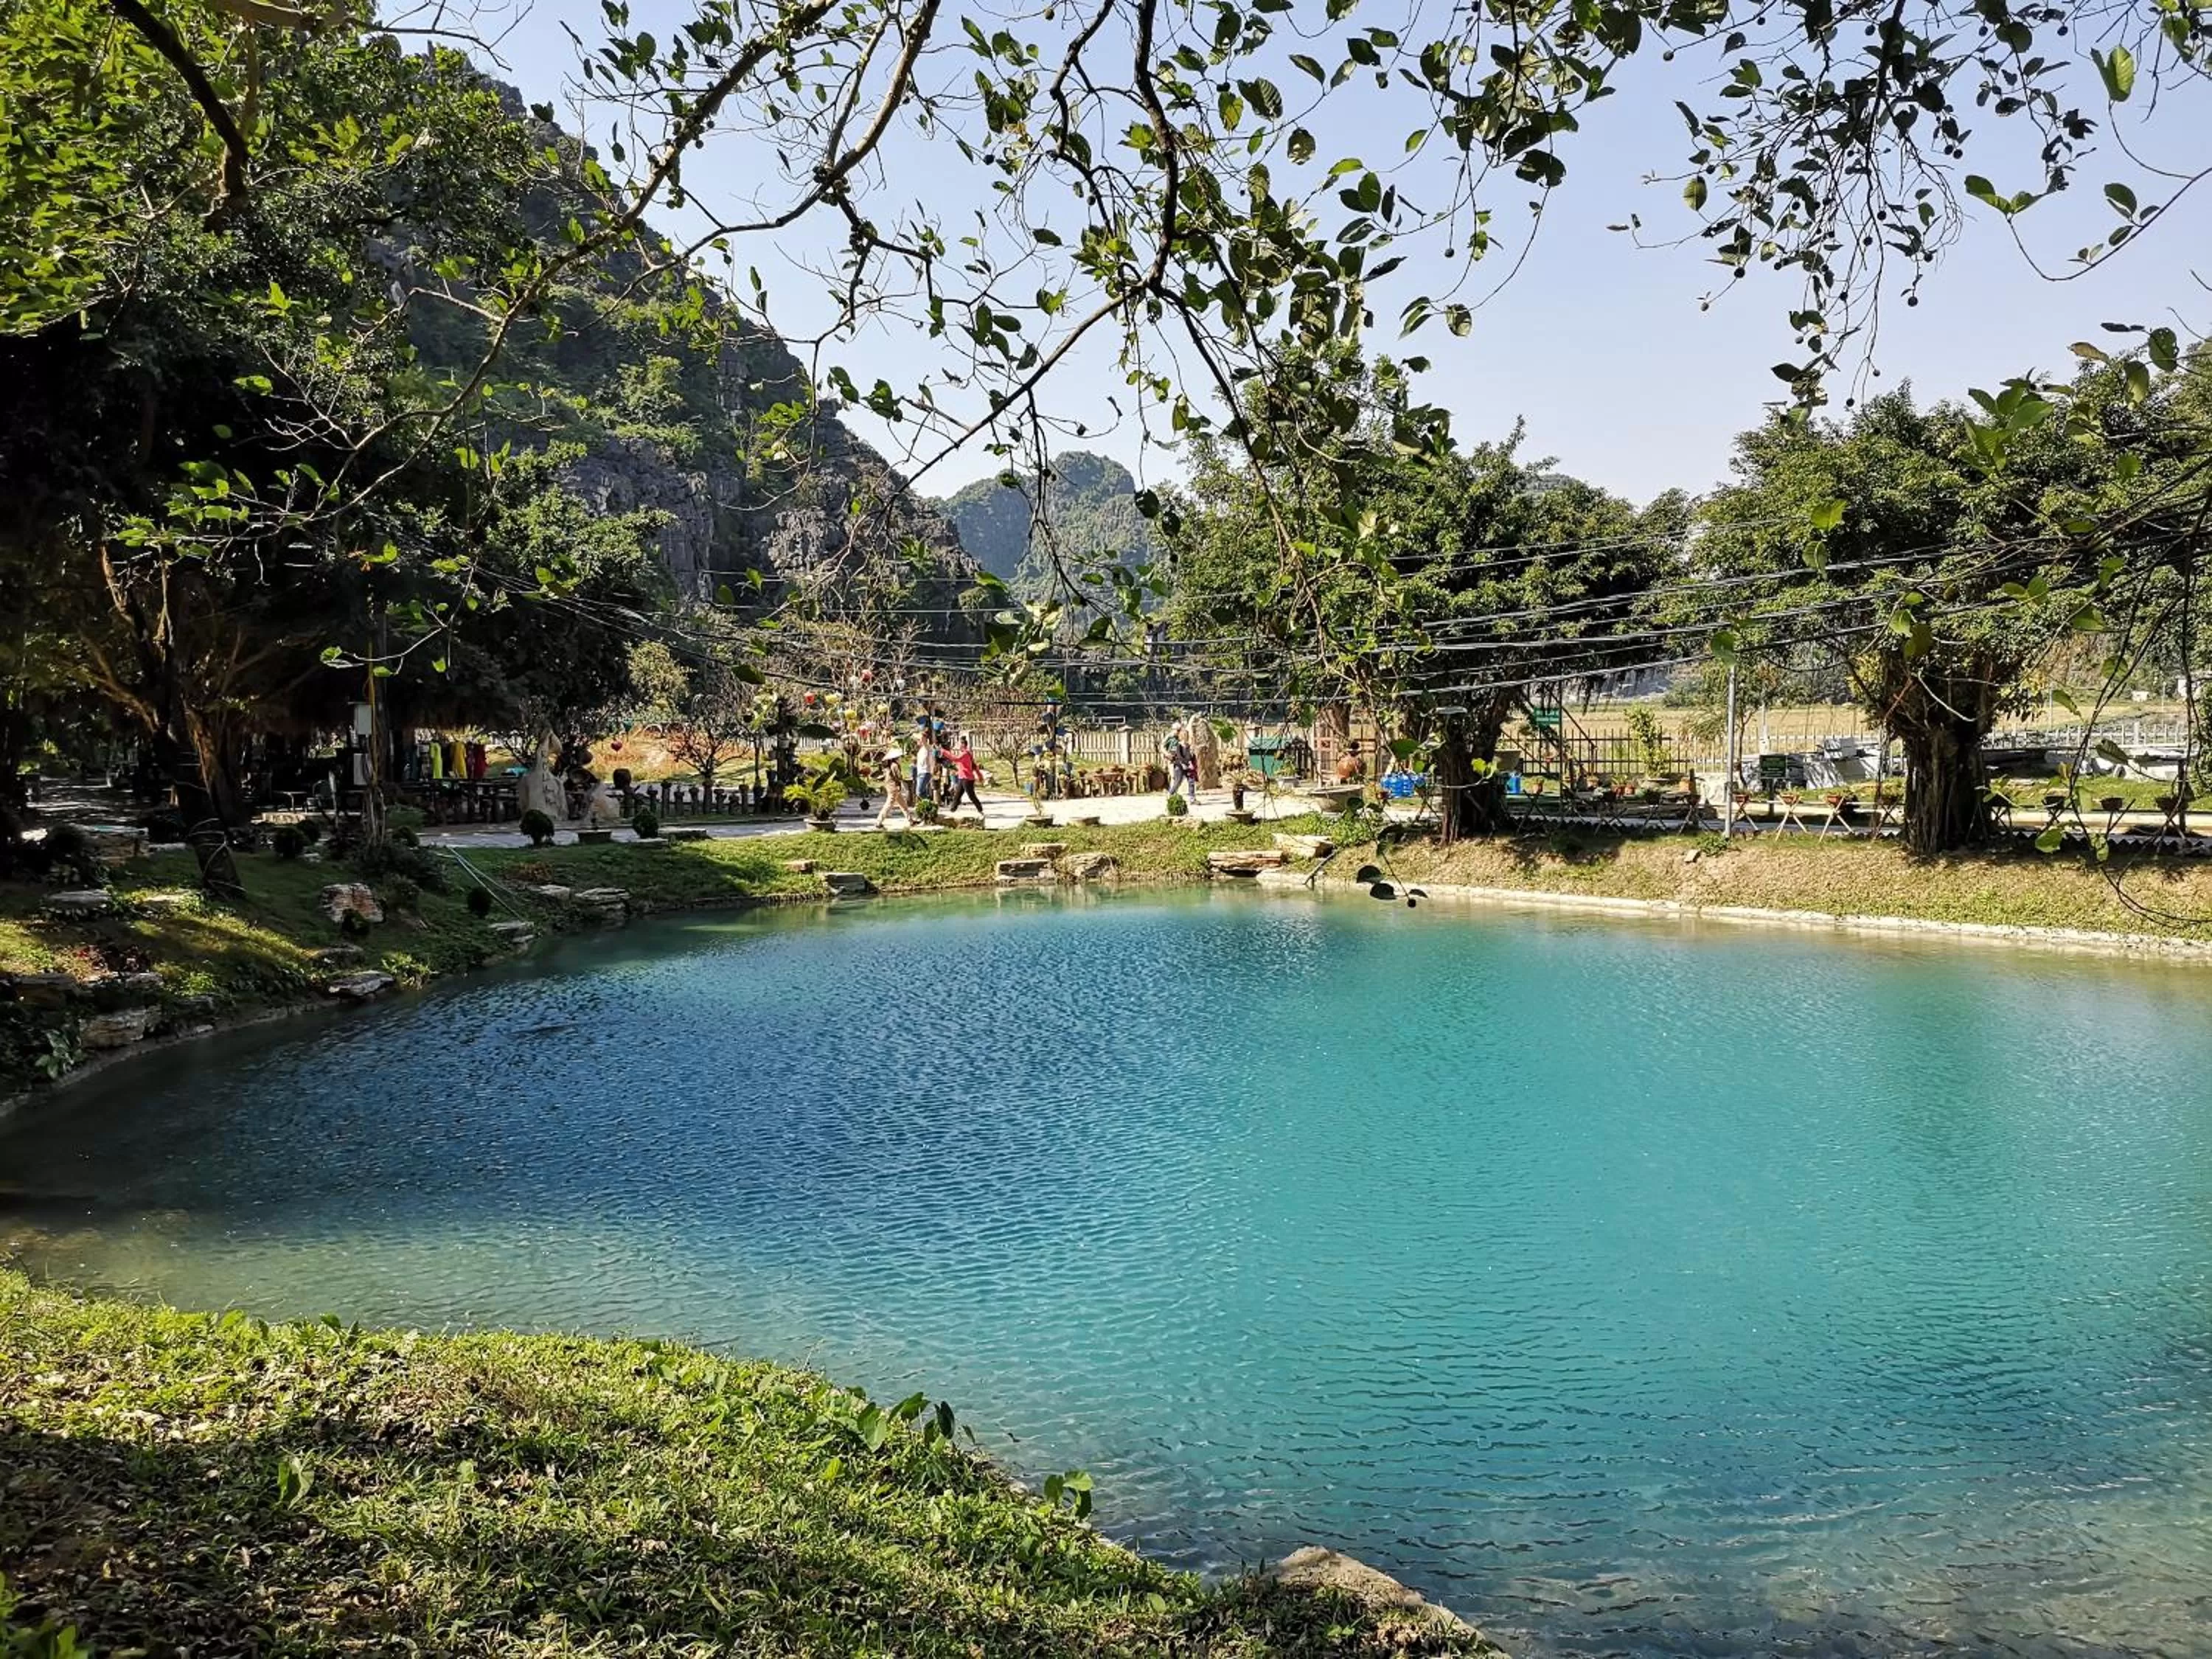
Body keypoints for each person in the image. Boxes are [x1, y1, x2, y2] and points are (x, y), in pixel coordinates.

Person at [941, 734, 984, 814]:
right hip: (962, 777)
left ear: (963, 745)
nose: (958, 746)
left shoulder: (965, 754)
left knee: (971, 796)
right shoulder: (967, 753)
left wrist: (944, 752)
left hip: (967, 779)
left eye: (960, 744)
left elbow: (956, 759)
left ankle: (980, 810)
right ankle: (952, 810)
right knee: (957, 794)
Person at [873, 745, 914, 830]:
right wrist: (903, 778)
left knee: (903, 805)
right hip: (894, 788)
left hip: (892, 786)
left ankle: (911, 820)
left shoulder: (891, 765)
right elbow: (898, 777)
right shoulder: (895, 765)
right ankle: (879, 822)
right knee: (888, 805)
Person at [911, 715, 937, 805]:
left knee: (919, 792)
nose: (918, 741)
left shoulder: (927, 748)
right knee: (922, 792)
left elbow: (927, 746)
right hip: (920, 772)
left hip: (925, 772)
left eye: (919, 740)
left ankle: (929, 805)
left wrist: (923, 739)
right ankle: (927, 806)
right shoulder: (921, 749)